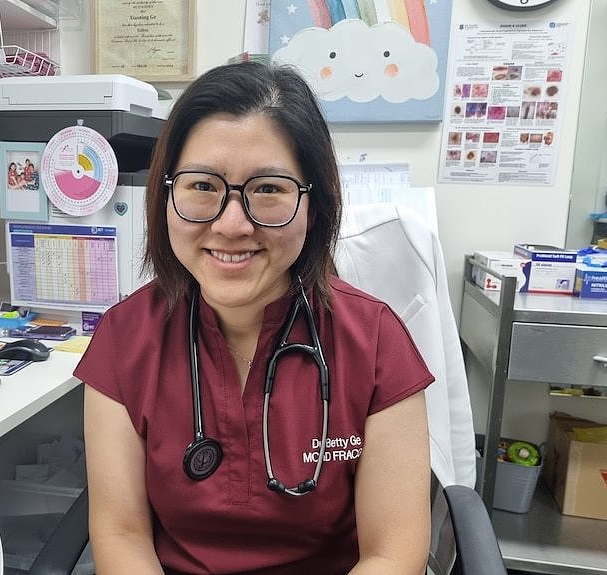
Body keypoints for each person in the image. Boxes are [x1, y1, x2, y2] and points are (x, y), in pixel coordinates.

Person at [74, 61, 432, 574]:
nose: (231, 224)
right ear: (166, 193)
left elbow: (392, 555)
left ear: (314, 203)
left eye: (268, 189)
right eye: (202, 186)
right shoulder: (124, 338)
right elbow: (120, 533)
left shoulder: (374, 342)